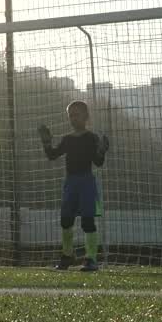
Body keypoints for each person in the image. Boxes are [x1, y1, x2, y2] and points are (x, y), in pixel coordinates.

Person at [39, 100, 109, 272]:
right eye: (70, 115)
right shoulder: (68, 139)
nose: (73, 118)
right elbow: (53, 155)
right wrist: (47, 143)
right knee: (66, 220)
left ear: (85, 116)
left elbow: (98, 162)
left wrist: (101, 151)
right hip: (70, 183)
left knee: (87, 221)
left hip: (86, 183)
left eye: (76, 115)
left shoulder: (91, 138)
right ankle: (67, 255)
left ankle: (91, 259)